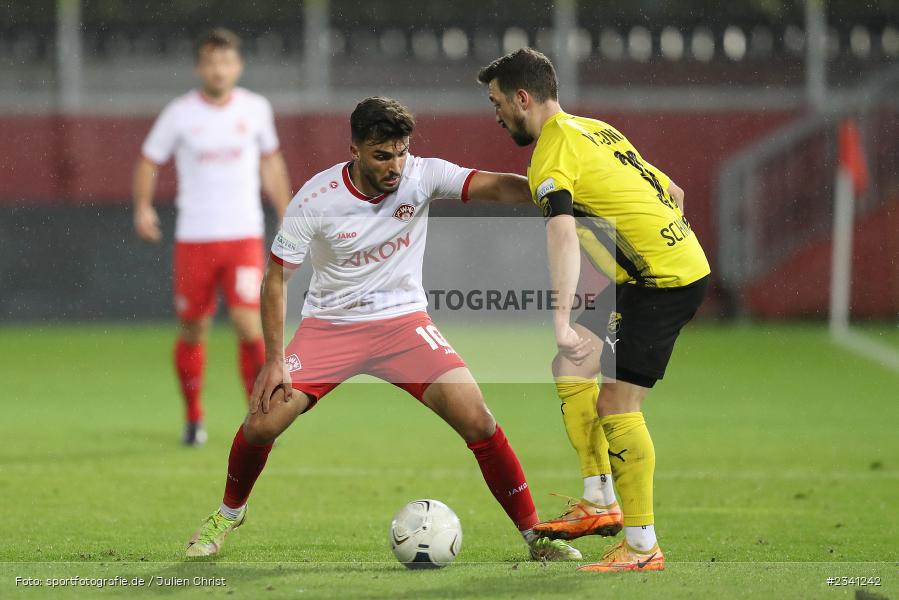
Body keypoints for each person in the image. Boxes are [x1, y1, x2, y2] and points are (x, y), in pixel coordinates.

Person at [184, 96, 581, 562]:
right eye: (382, 155)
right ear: (354, 148)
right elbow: (276, 280)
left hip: (403, 325)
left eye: (401, 152)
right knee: (261, 422)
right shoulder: (316, 198)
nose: (395, 166)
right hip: (331, 326)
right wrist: (274, 359)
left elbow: (494, 187)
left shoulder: (422, 174)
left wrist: (555, 194)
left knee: (478, 417)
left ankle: (537, 536)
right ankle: (228, 514)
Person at [477, 48, 710, 572]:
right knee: (571, 366)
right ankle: (599, 499)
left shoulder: (551, 154)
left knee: (617, 406)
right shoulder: (593, 129)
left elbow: (561, 231)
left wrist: (561, 317)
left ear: (522, 97)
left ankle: (643, 547)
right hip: (659, 268)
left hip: (661, 282)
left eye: (496, 102)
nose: (494, 114)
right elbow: (670, 189)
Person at [132, 28, 292, 446]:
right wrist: (143, 207)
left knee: (247, 324)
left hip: (242, 236)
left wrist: (286, 211)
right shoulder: (180, 113)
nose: (218, 69)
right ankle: (193, 418)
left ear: (237, 66)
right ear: (199, 67)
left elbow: (271, 164)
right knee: (193, 328)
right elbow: (149, 162)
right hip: (194, 238)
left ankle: (258, 416)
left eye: (225, 61)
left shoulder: (256, 109)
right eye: (210, 61)